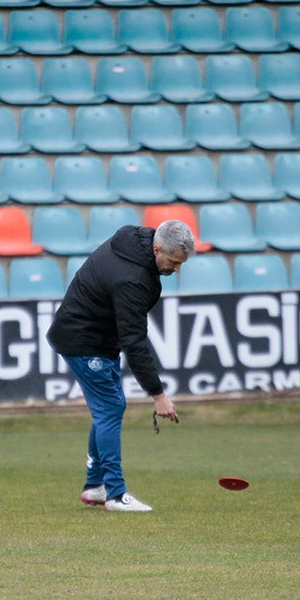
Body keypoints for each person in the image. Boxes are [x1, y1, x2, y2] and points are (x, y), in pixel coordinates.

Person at [46, 219, 195, 512]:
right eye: (174, 262)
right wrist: (158, 395)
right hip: (84, 341)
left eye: (181, 264)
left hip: (94, 338)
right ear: (156, 249)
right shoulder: (133, 279)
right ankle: (115, 494)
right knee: (110, 408)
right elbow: (134, 340)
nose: (176, 270)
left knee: (108, 408)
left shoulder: (133, 244)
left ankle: (95, 487)